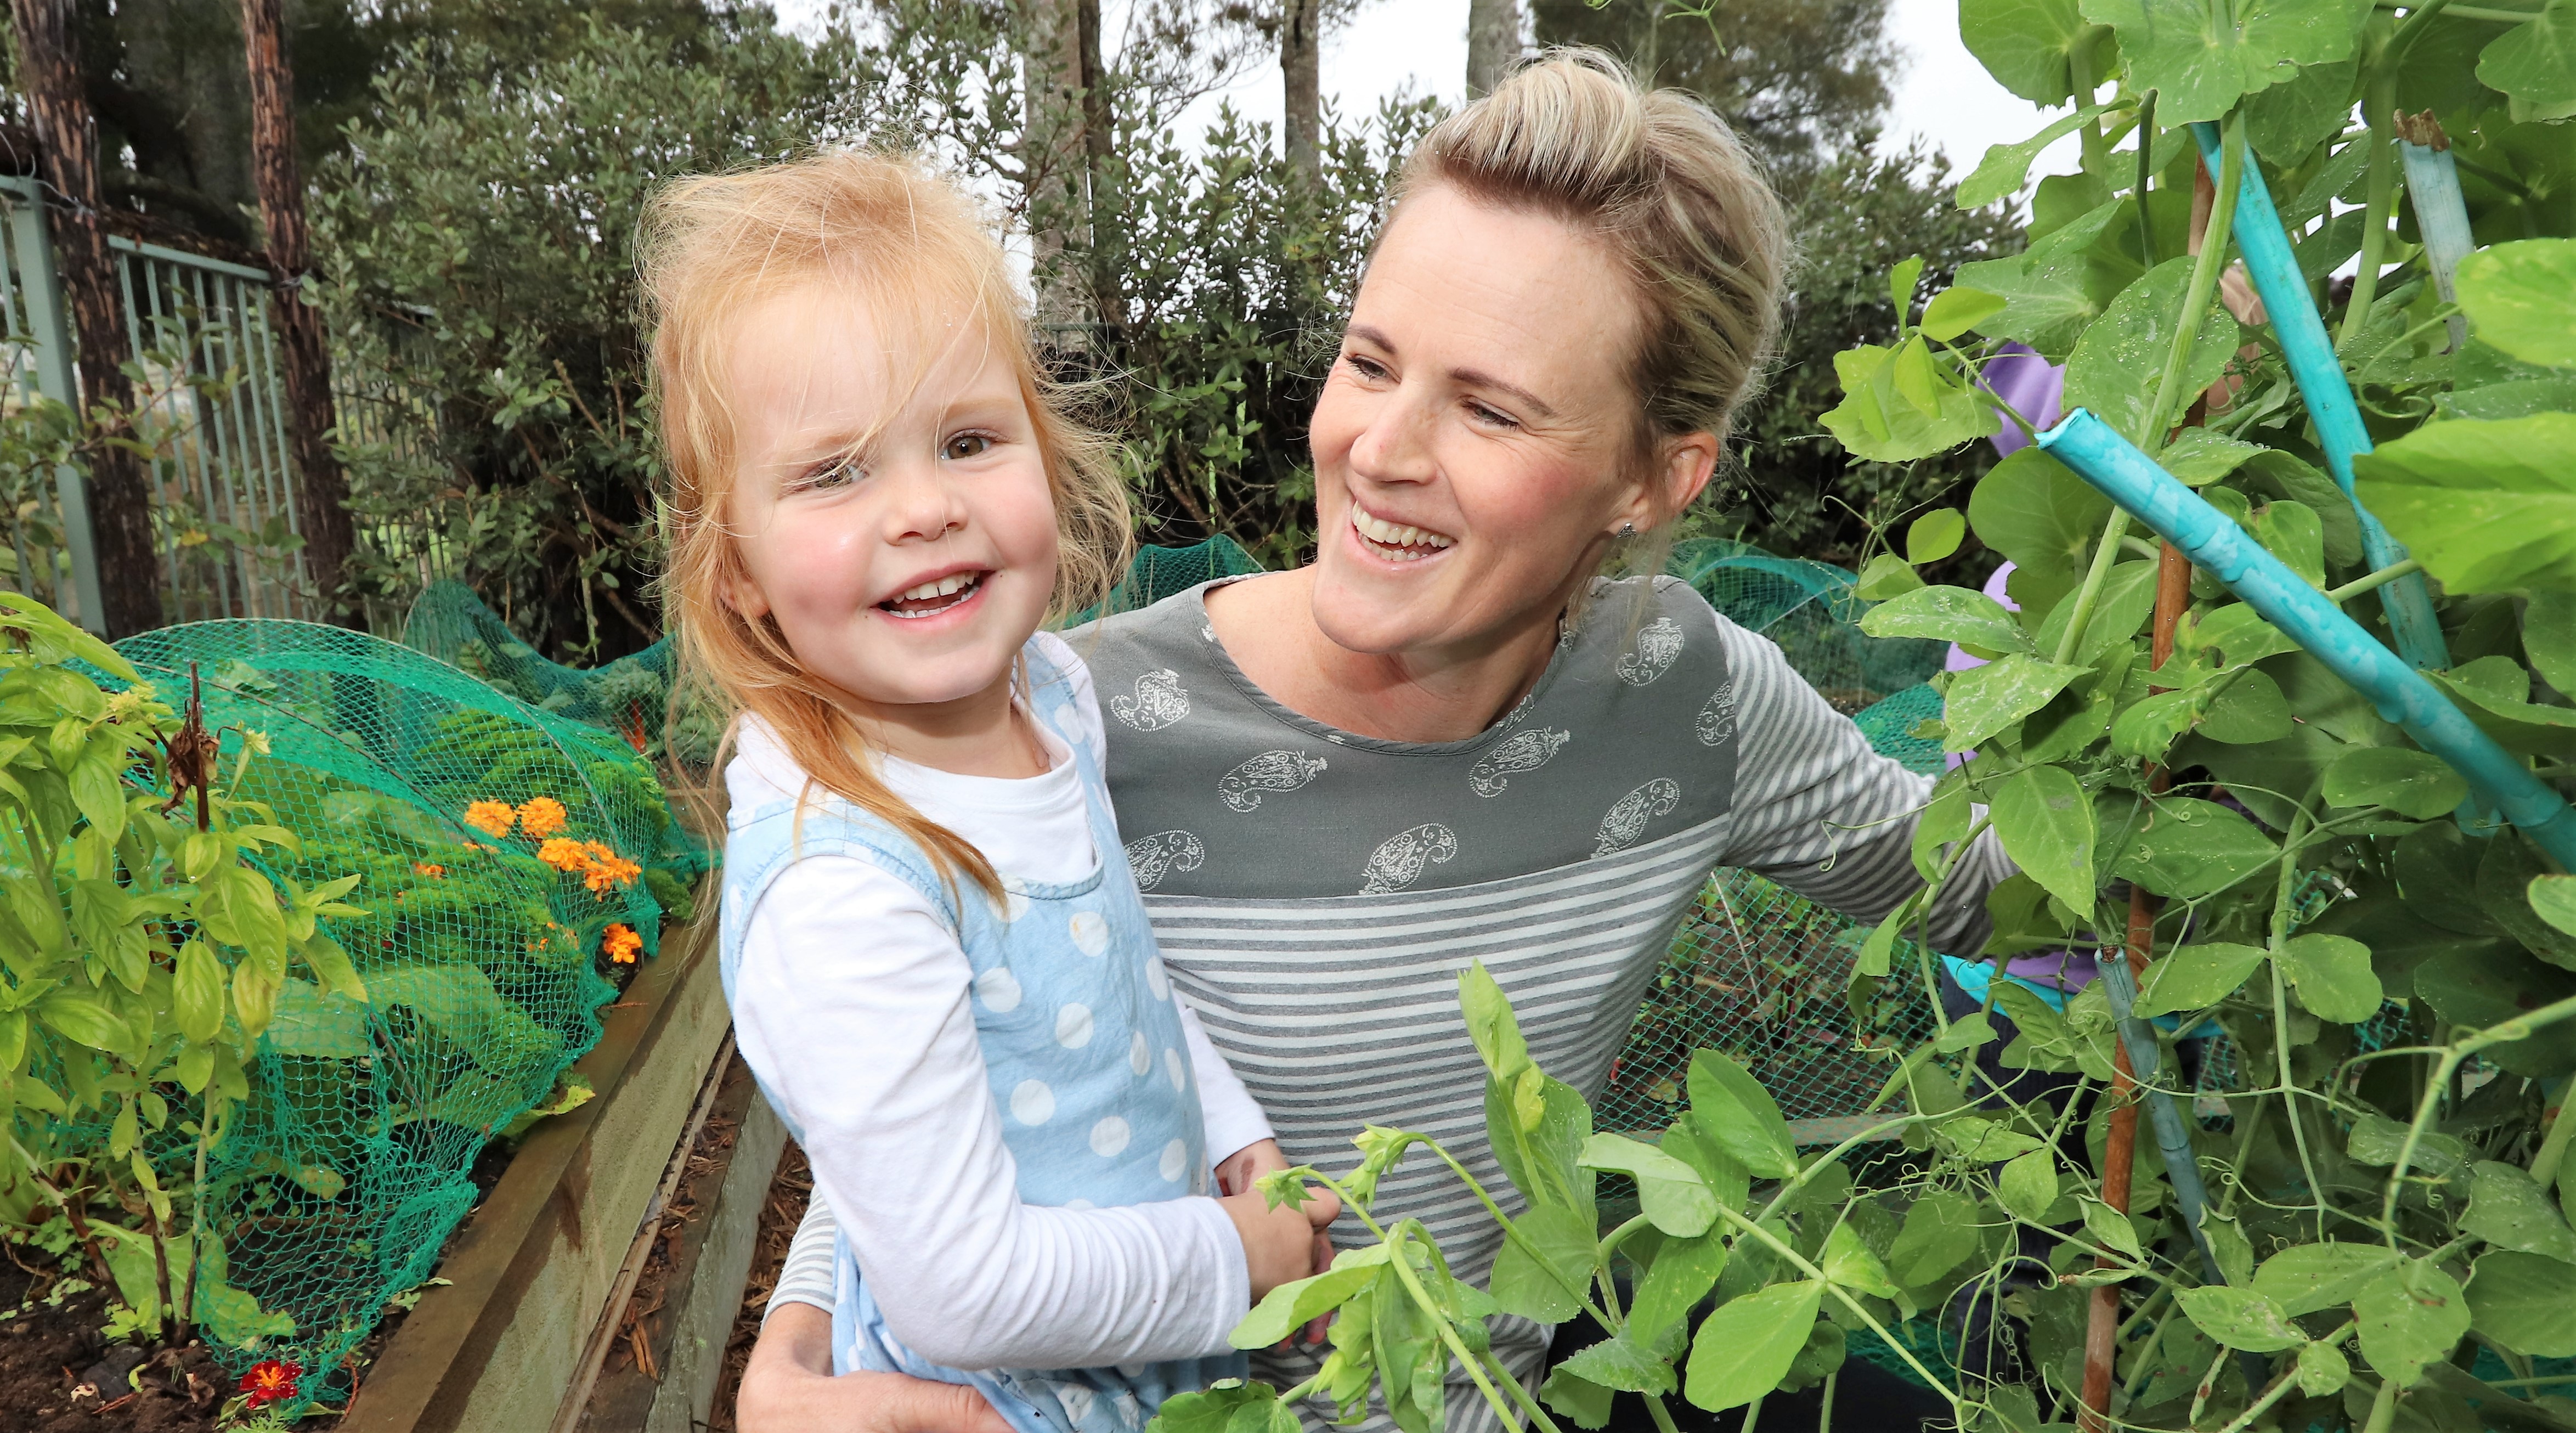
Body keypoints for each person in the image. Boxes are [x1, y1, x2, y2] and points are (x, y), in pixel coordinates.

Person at [738, 52, 2015, 1433]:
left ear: (1654, 478)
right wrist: (794, 1355)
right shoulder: (1085, 724)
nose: (1379, 449)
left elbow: (1992, 888)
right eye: (1369, 362)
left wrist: (2163, 552)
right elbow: (936, 1077)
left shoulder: (1685, 699)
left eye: (1489, 406)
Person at [649, 153, 1338, 1433]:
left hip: (1155, 1353)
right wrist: (1242, 1252)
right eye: (835, 470)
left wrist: (1231, 1125)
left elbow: (1120, 978)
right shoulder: (842, 888)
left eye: (967, 440)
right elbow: (967, 1291)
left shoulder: (1054, 699)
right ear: (733, 567)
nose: (923, 507)